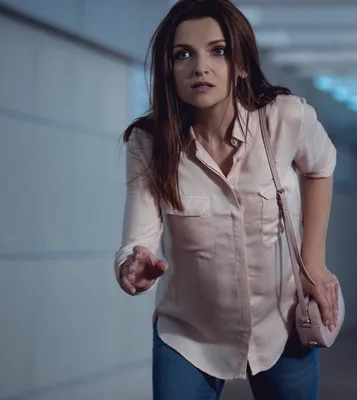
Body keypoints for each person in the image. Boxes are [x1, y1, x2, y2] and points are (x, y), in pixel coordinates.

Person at [113, 1, 339, 399]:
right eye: (183, 54)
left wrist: (313, 261)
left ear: (242, 64)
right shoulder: (148, 144)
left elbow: (320, 166)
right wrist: (133, 264)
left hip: (281, 325)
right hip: (189, 334)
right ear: (169, 69)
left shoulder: (285, 118)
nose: (200, 66)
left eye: (218, 51)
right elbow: (138, 238)